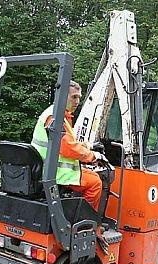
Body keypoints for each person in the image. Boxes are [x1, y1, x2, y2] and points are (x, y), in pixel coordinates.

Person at [31, 80, 104, 212]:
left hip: (45, 168)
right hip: (56, 173)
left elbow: (67, 142)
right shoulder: (55, 117)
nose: (77, 101)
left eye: (79, 98)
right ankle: (83, 220)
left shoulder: (55, 114)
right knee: (95, 183)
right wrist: (94, 156)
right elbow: (68, 149)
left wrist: (89, 145)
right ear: (63, 96)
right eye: (74, 97)